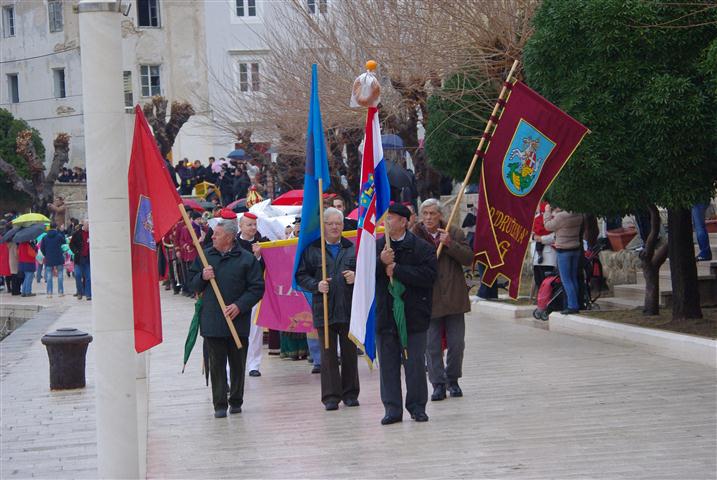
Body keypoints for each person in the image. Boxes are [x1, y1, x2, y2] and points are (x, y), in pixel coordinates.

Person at [188, 209, 264, 418]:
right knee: (217, 363)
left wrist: (239, 305)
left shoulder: (246, 259)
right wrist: (202, 276)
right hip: (212, 320)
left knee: (238, 363)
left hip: (237, 320)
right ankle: (219, 403)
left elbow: (257, 288)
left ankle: (236, 399)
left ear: (229, 237)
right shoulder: (205, 257)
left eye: (217, 234)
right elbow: (191, 283)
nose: (212, 237)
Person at [376, 203, 437, 425]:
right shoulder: (377, 247)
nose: (387, 222)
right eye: (385, 218)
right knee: (389, 366)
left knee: (414, 365)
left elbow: (429, 276)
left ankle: (417, 406)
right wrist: (380, 262)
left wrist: (398, 270)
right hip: (386, 316)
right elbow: (363, 274)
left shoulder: (422, 247)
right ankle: (392, 409)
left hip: (413, 316)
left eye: (391, 218)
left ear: (404, 222)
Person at [295, 207, 359, 411]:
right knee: (328, 353)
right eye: (330, 223)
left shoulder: (351, 248)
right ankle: (331, 396)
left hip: (348, 309)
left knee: (349, 353)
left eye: (338, 224)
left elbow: (366, 271)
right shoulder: (313, 249)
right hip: (324, 308)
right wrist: (316, 285)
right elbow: (301, 275)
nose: (334, 227)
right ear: (323, 226)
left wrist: (355, 277)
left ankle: (350, 393)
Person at [412, 199, 473, 401]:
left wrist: (450, 245)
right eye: (425, 214)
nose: (428, 218)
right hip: (428, 299)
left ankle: (453, 379)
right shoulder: (415, 235)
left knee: (457, 344)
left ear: (440, 215)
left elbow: (468, 258)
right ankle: (437, 383)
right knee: (432, 345)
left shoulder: (453, 232)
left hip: (454, 297)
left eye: (433, 214)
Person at [237, 212, 269, 377]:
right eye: (249, 225)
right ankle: (238, 363)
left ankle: (254, 364)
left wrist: (259, 257)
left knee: (255, 331)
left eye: (254, 225)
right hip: (236, 294)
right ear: (241, 226)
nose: (252, 228)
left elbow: (269, 265)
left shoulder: (263, 243)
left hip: (255, 293)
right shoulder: (234, 243)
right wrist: (253, 256)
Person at [544, 204, 583, 314]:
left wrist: (547, 212)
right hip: (575, 248)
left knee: (566, 279)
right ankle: (576, 303)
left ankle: (572, 305)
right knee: (573, 278)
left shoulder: (562, 216)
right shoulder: (579, 214)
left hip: (564, 250)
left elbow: (547, 226)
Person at [41, 224, 67, 297]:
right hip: (59, 258)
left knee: (49, 276)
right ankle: (60, 292)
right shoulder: (59, 236)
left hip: (49, 259)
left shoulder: (45, 237)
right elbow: (64, 244)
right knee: (60, 275)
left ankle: (49, 293)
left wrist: (46, 254)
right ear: (56, 227)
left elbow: (42, 248)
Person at [70, 219, 92, 301]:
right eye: (88, 225)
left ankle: (88, 294)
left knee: (88, 277)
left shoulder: (92, 233)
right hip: (79, 259)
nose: (89, 227)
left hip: (87, 259)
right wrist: (76, 251)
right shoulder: (77, 233)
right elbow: (71, 244)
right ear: (84, 225)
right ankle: (80, 292)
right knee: (78, 275)